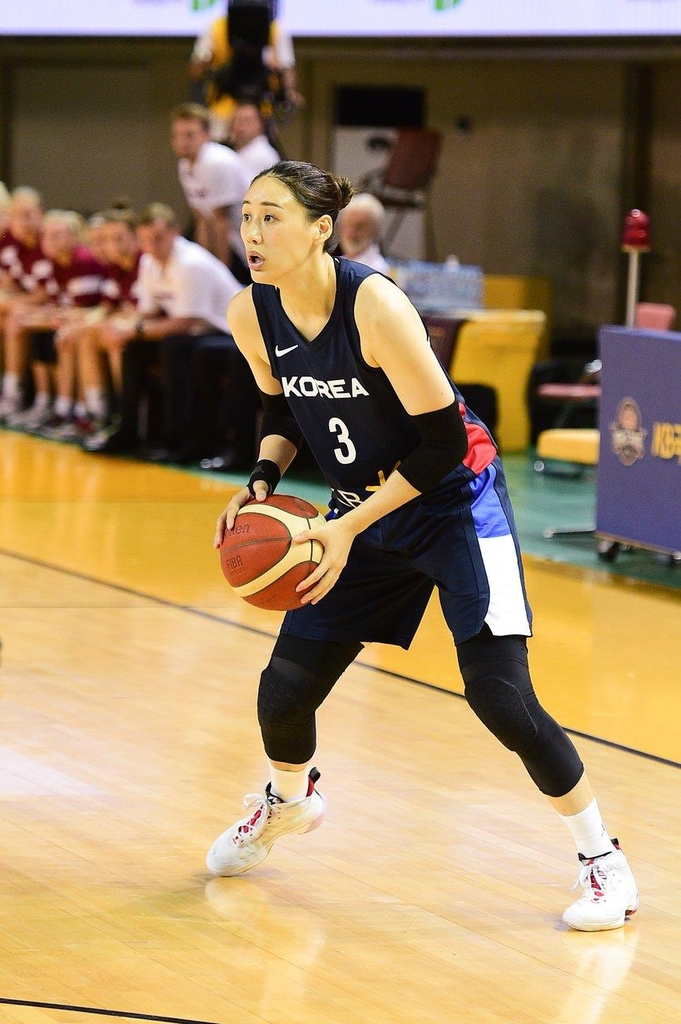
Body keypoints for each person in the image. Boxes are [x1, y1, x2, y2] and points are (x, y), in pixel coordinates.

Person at [207, 161, 638, 933]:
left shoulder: (373, 306)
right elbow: (281, 403)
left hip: (454, 502)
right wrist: (265, 481)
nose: (251, 233)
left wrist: (346, 525)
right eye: (245, 216)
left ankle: (601, 860)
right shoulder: (252, 312)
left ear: (319, 230)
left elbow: (441, 443)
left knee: (499, 695)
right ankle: (289, 803)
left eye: (270, 217)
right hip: (357, 510)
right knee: (283, 691)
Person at [84, 202, 243, 457]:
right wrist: (122, 327)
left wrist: (132, 329)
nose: (152, 245)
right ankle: (128, 431)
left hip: (229, 332)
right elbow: (148, 312)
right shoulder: (149, 262)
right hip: (195, 332)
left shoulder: (191, 264)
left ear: (175, 232)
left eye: (159, 237)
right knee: (135, 348)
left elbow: (185, 322)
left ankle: (176, 437)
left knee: (172, 346)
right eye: (146, 239)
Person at [4, 209, 107, 434]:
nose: (49, 240)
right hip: (72, 318)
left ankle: (77, 411)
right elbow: (57, 306)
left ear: (75, 236)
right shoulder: (55, 262)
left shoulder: (83, 261)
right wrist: (34, 319)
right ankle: (46, 403)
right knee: (32, 327)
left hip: (87, 321)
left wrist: (41, 318)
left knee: (67, 335)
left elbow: (80, 310)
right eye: (47, 235)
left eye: (58, 235)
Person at [188, 1, 303, 143]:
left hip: (261, 109)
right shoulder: (216, 28)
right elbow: (195, 72)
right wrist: (205, 62)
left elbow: (287, 68)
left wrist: (289, 91)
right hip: (222, 109)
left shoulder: (275, 30)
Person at [171, 102, 251, 284]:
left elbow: (221, 222)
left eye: (190, 135)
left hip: (245, 244)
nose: (182, 142)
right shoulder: (185, 165)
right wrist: (204, 266)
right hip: (231, 239)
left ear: (207, 135)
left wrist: (219, 275)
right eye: (176, 136)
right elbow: (202, 219)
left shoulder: (217, 162)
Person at [336, 192, 391, 274]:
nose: (352, 232)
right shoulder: (337, 264)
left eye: (359, 226)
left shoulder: (377, 271)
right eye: (348, 225)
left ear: (375, 230)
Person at [227, 102, 281, 179]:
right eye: (236, 120)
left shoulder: (262, 154)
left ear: (260, 124)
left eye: (247, 120)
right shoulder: (242, 150)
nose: (240, 125)